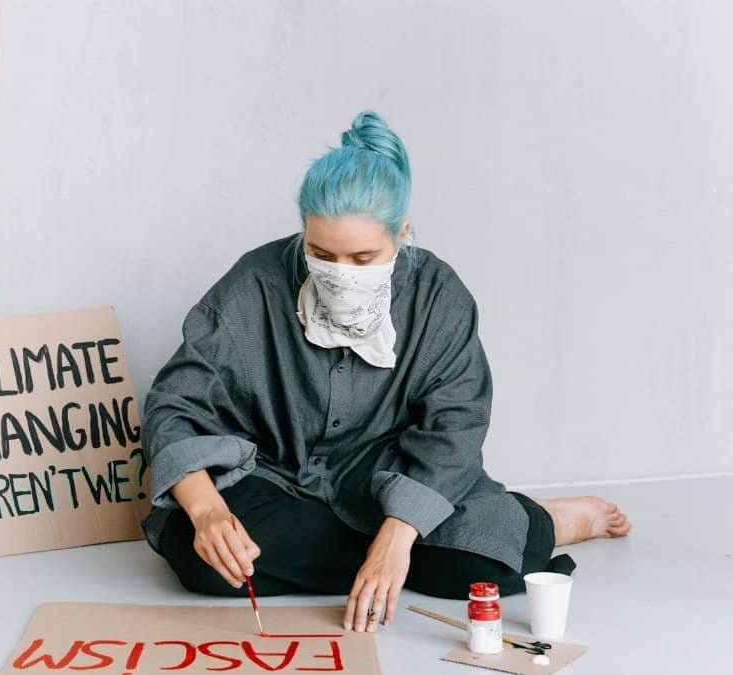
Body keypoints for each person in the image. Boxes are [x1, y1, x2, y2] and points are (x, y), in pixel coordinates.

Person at [138, 110, 631, 634]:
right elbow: (175, 403)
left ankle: (544, 521)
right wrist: (208, 510)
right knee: (201, 561)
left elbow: (456, 428)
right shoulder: (254, 282)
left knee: (484, 569)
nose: (341, 274)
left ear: (403, 235)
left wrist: (397, 535)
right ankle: (411, 550)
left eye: (364, 256)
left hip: (389, 484)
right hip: (274, 479)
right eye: (321, 254)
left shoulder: (440, 297)